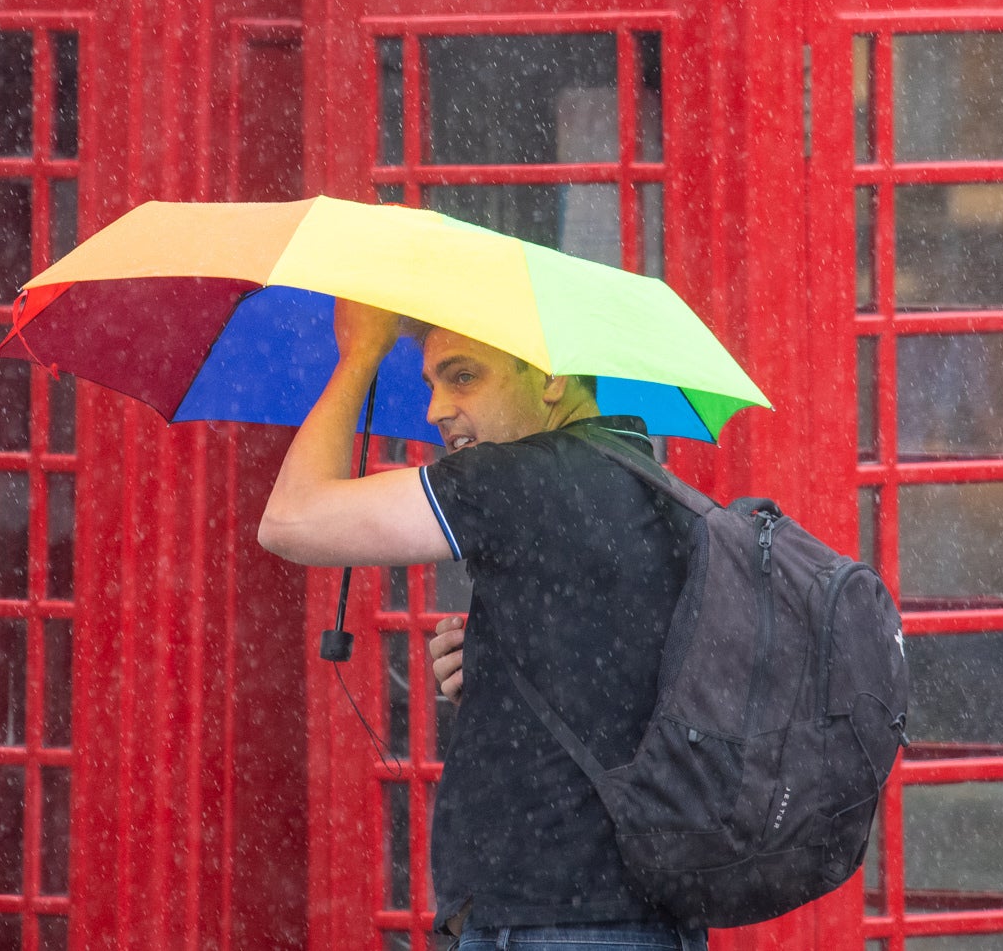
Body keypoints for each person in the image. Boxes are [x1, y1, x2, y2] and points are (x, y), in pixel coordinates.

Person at [259, 300, 704, 951]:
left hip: (554, 921)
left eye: (463, 376)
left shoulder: (523, 475)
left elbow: (291, 519)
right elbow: (632, 685)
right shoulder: (644, 482)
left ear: (551, 373)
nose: (437, 407)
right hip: (634, 912)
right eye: (431, 382)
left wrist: (360, 355)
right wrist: (501, 665)